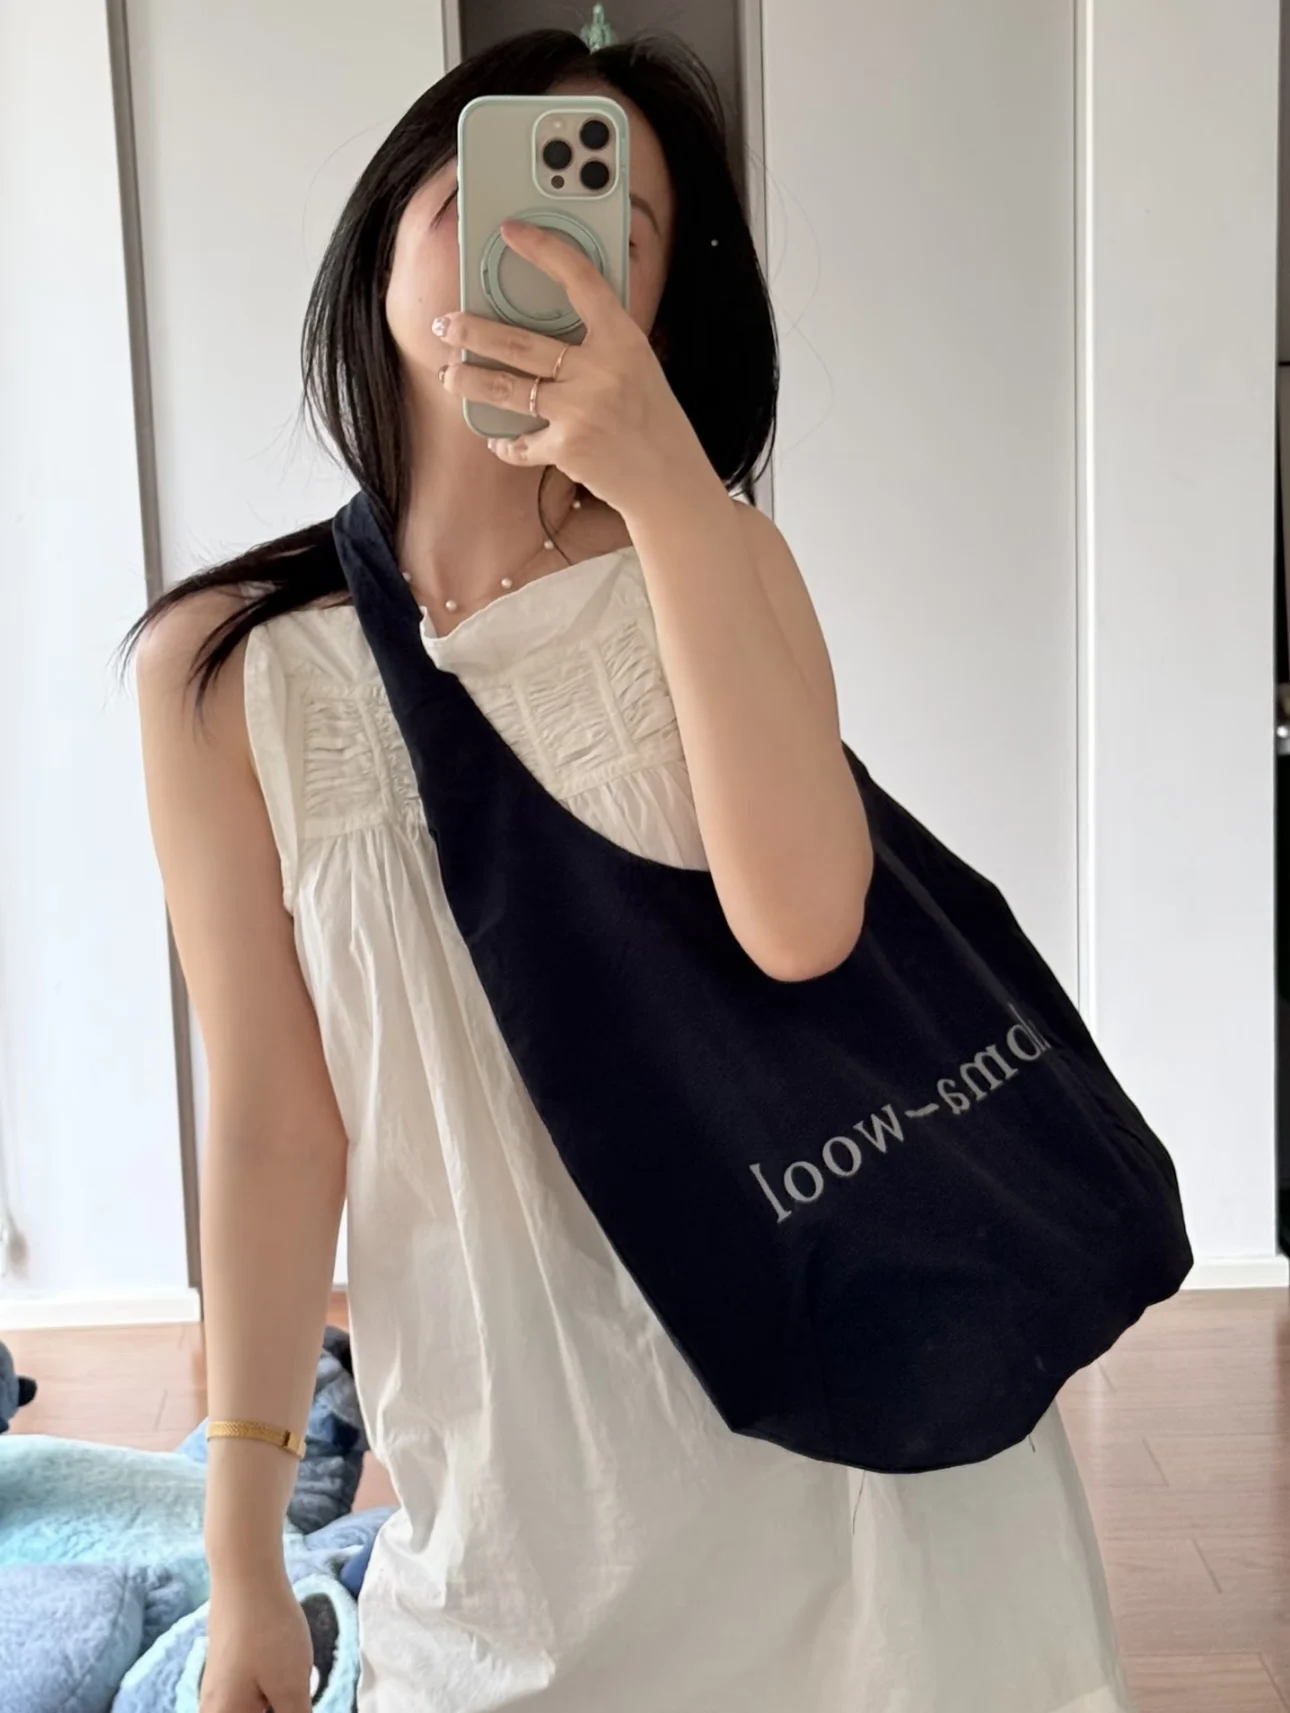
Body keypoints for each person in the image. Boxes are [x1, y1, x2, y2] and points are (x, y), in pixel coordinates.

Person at [128, 26, 1133, 1713]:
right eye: (484, 189)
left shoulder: (719, 557)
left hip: (845, 1451)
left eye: (611, 223)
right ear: (386, 238)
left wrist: (666, 486)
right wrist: (241, 1560)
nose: (537, 240)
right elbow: (275, 1127)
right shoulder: (224, 670)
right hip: (530, 1475)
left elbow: (802, 925)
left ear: (661, 310)